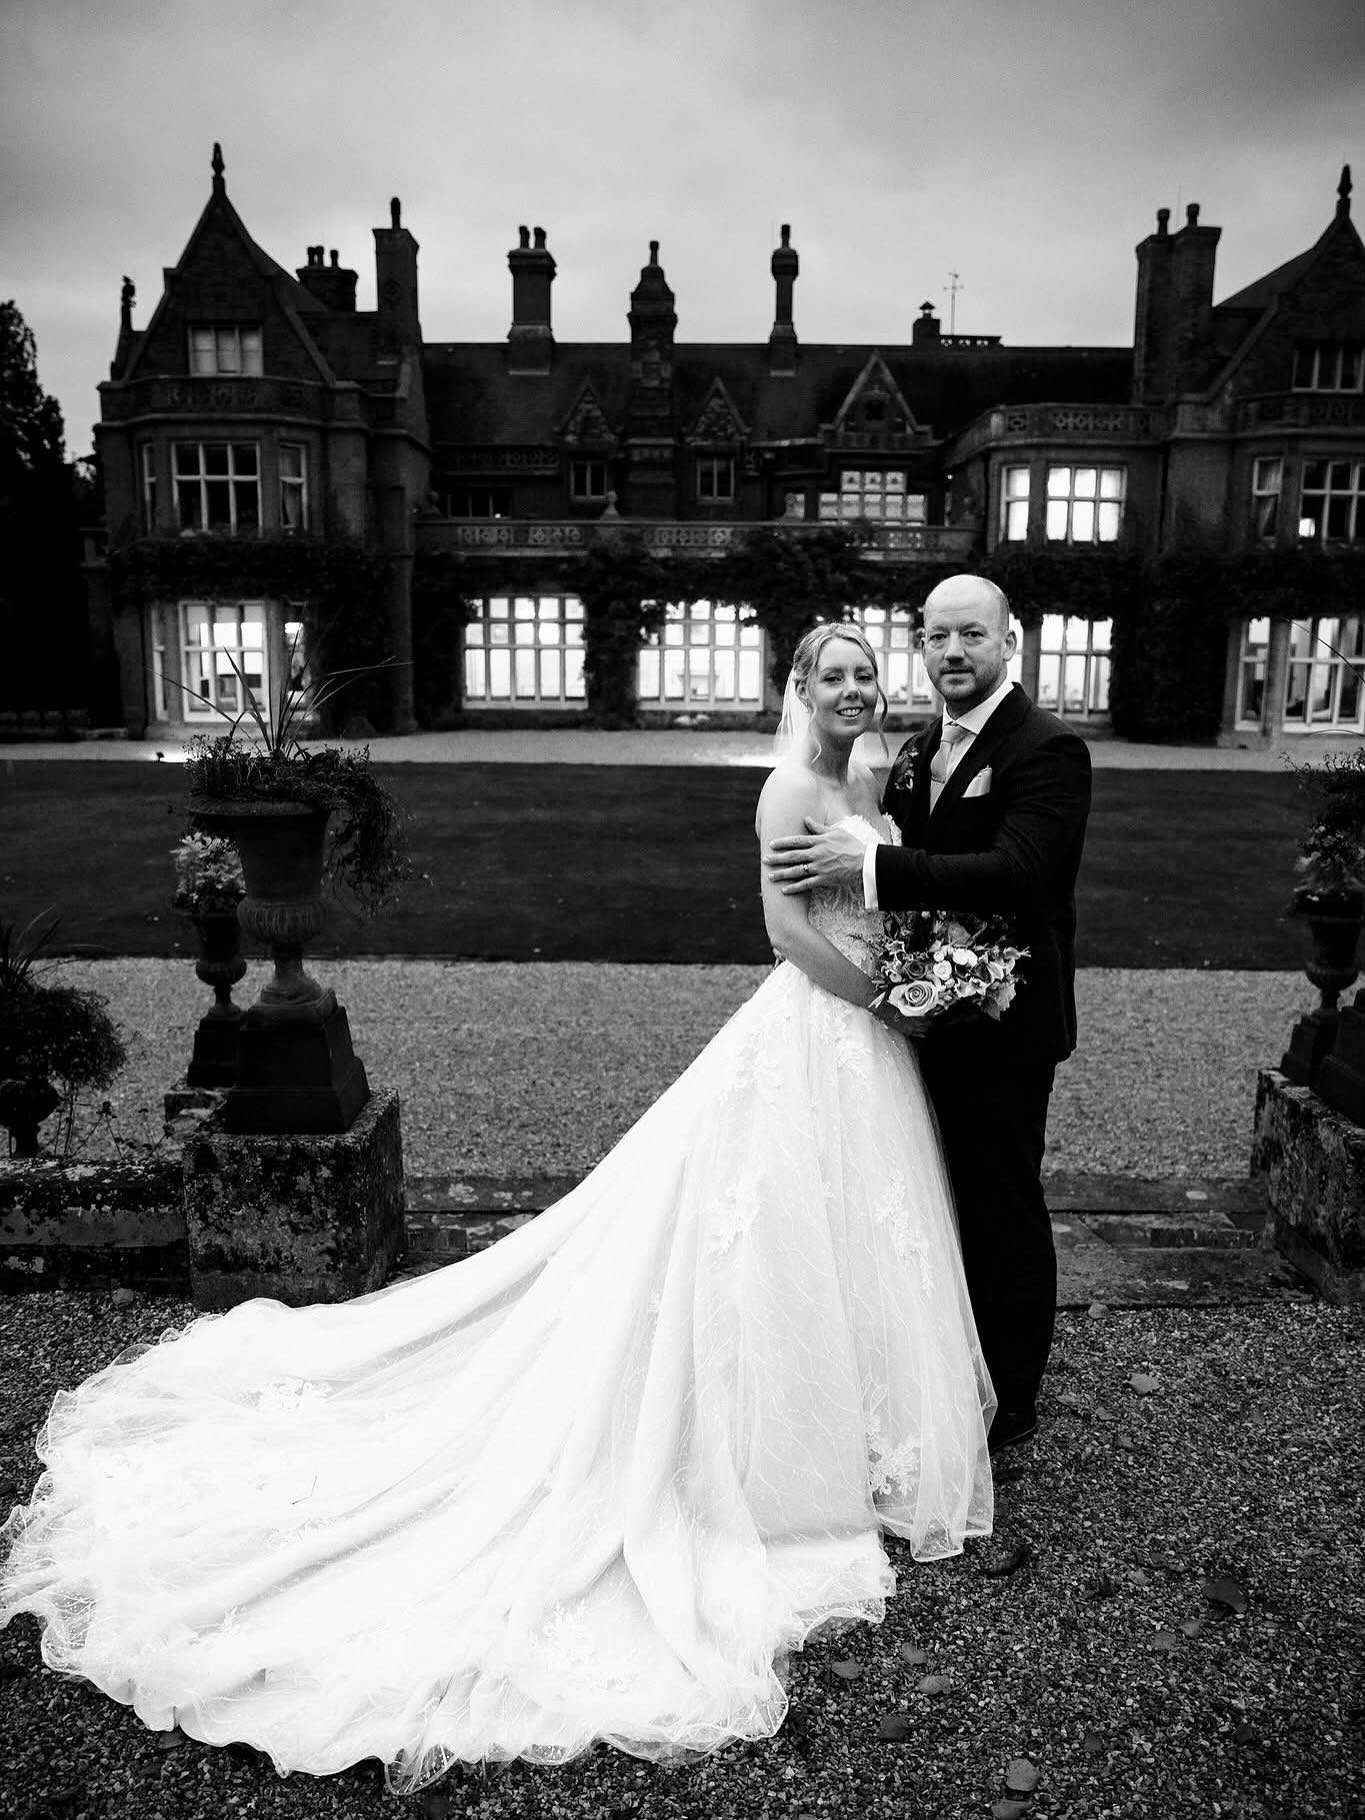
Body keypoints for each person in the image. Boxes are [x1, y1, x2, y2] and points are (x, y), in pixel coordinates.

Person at [1, 624, 992, 1789]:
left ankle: (862, 1432)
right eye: (835, 674)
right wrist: (889, 997)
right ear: (800, 690)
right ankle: (769, 1456)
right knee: (763, 1234)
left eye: (868, 671)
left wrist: (913, 970)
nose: (856, 687)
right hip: (823, 1027)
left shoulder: (870, 776)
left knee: (848, 1232)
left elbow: (879, 888)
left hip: (864, 1049)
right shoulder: (788, 787)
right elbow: (785, 933)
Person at [766, 576, 1091, 1454]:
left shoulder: (1047, 749)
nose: (952, 652)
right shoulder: (910, 754)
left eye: (971, 636)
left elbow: (1019, 873)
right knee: (915, 1200)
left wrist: (869, 870)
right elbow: (807, 912)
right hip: (917, 1018)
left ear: (1007, 642)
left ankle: (1010, 1396)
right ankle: (934, 1371)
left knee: (998, 1204)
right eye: (937, 636)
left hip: (1005, 1023)